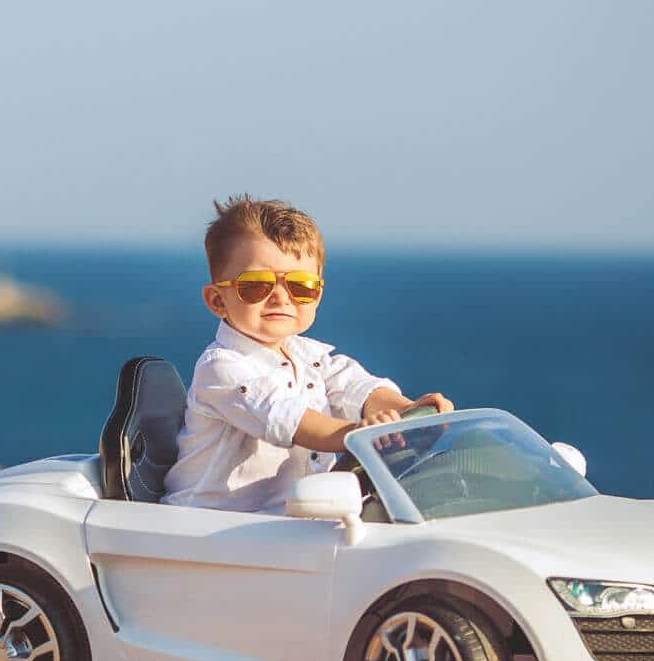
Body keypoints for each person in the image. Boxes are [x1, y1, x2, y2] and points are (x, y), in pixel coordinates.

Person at [162, 195, 453, 512]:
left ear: (317, 296)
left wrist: (409, 412)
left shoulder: (311, 358)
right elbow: (291, 420)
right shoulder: (222, 368)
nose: (280, 298)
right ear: (218, 300)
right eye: (256, 285)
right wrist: (359, 434)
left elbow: (358, 388)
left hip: (285, 527)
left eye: (301, 286)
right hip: (204, 532)